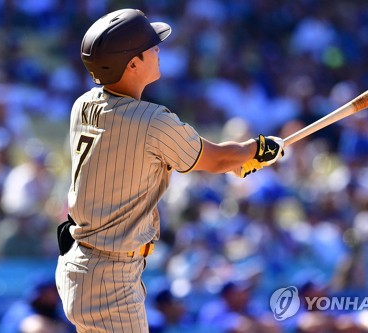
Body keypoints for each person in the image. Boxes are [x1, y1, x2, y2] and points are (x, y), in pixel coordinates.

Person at [54, 8, 284, 333]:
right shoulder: (152, 121)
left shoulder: (84, 105)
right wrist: (255, 150)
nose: (158, 50)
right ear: (132, 63)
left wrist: (236, 161)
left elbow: (148, 159)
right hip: (109, 274)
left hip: (81, 263)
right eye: (151, 47)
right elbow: (215, 159)